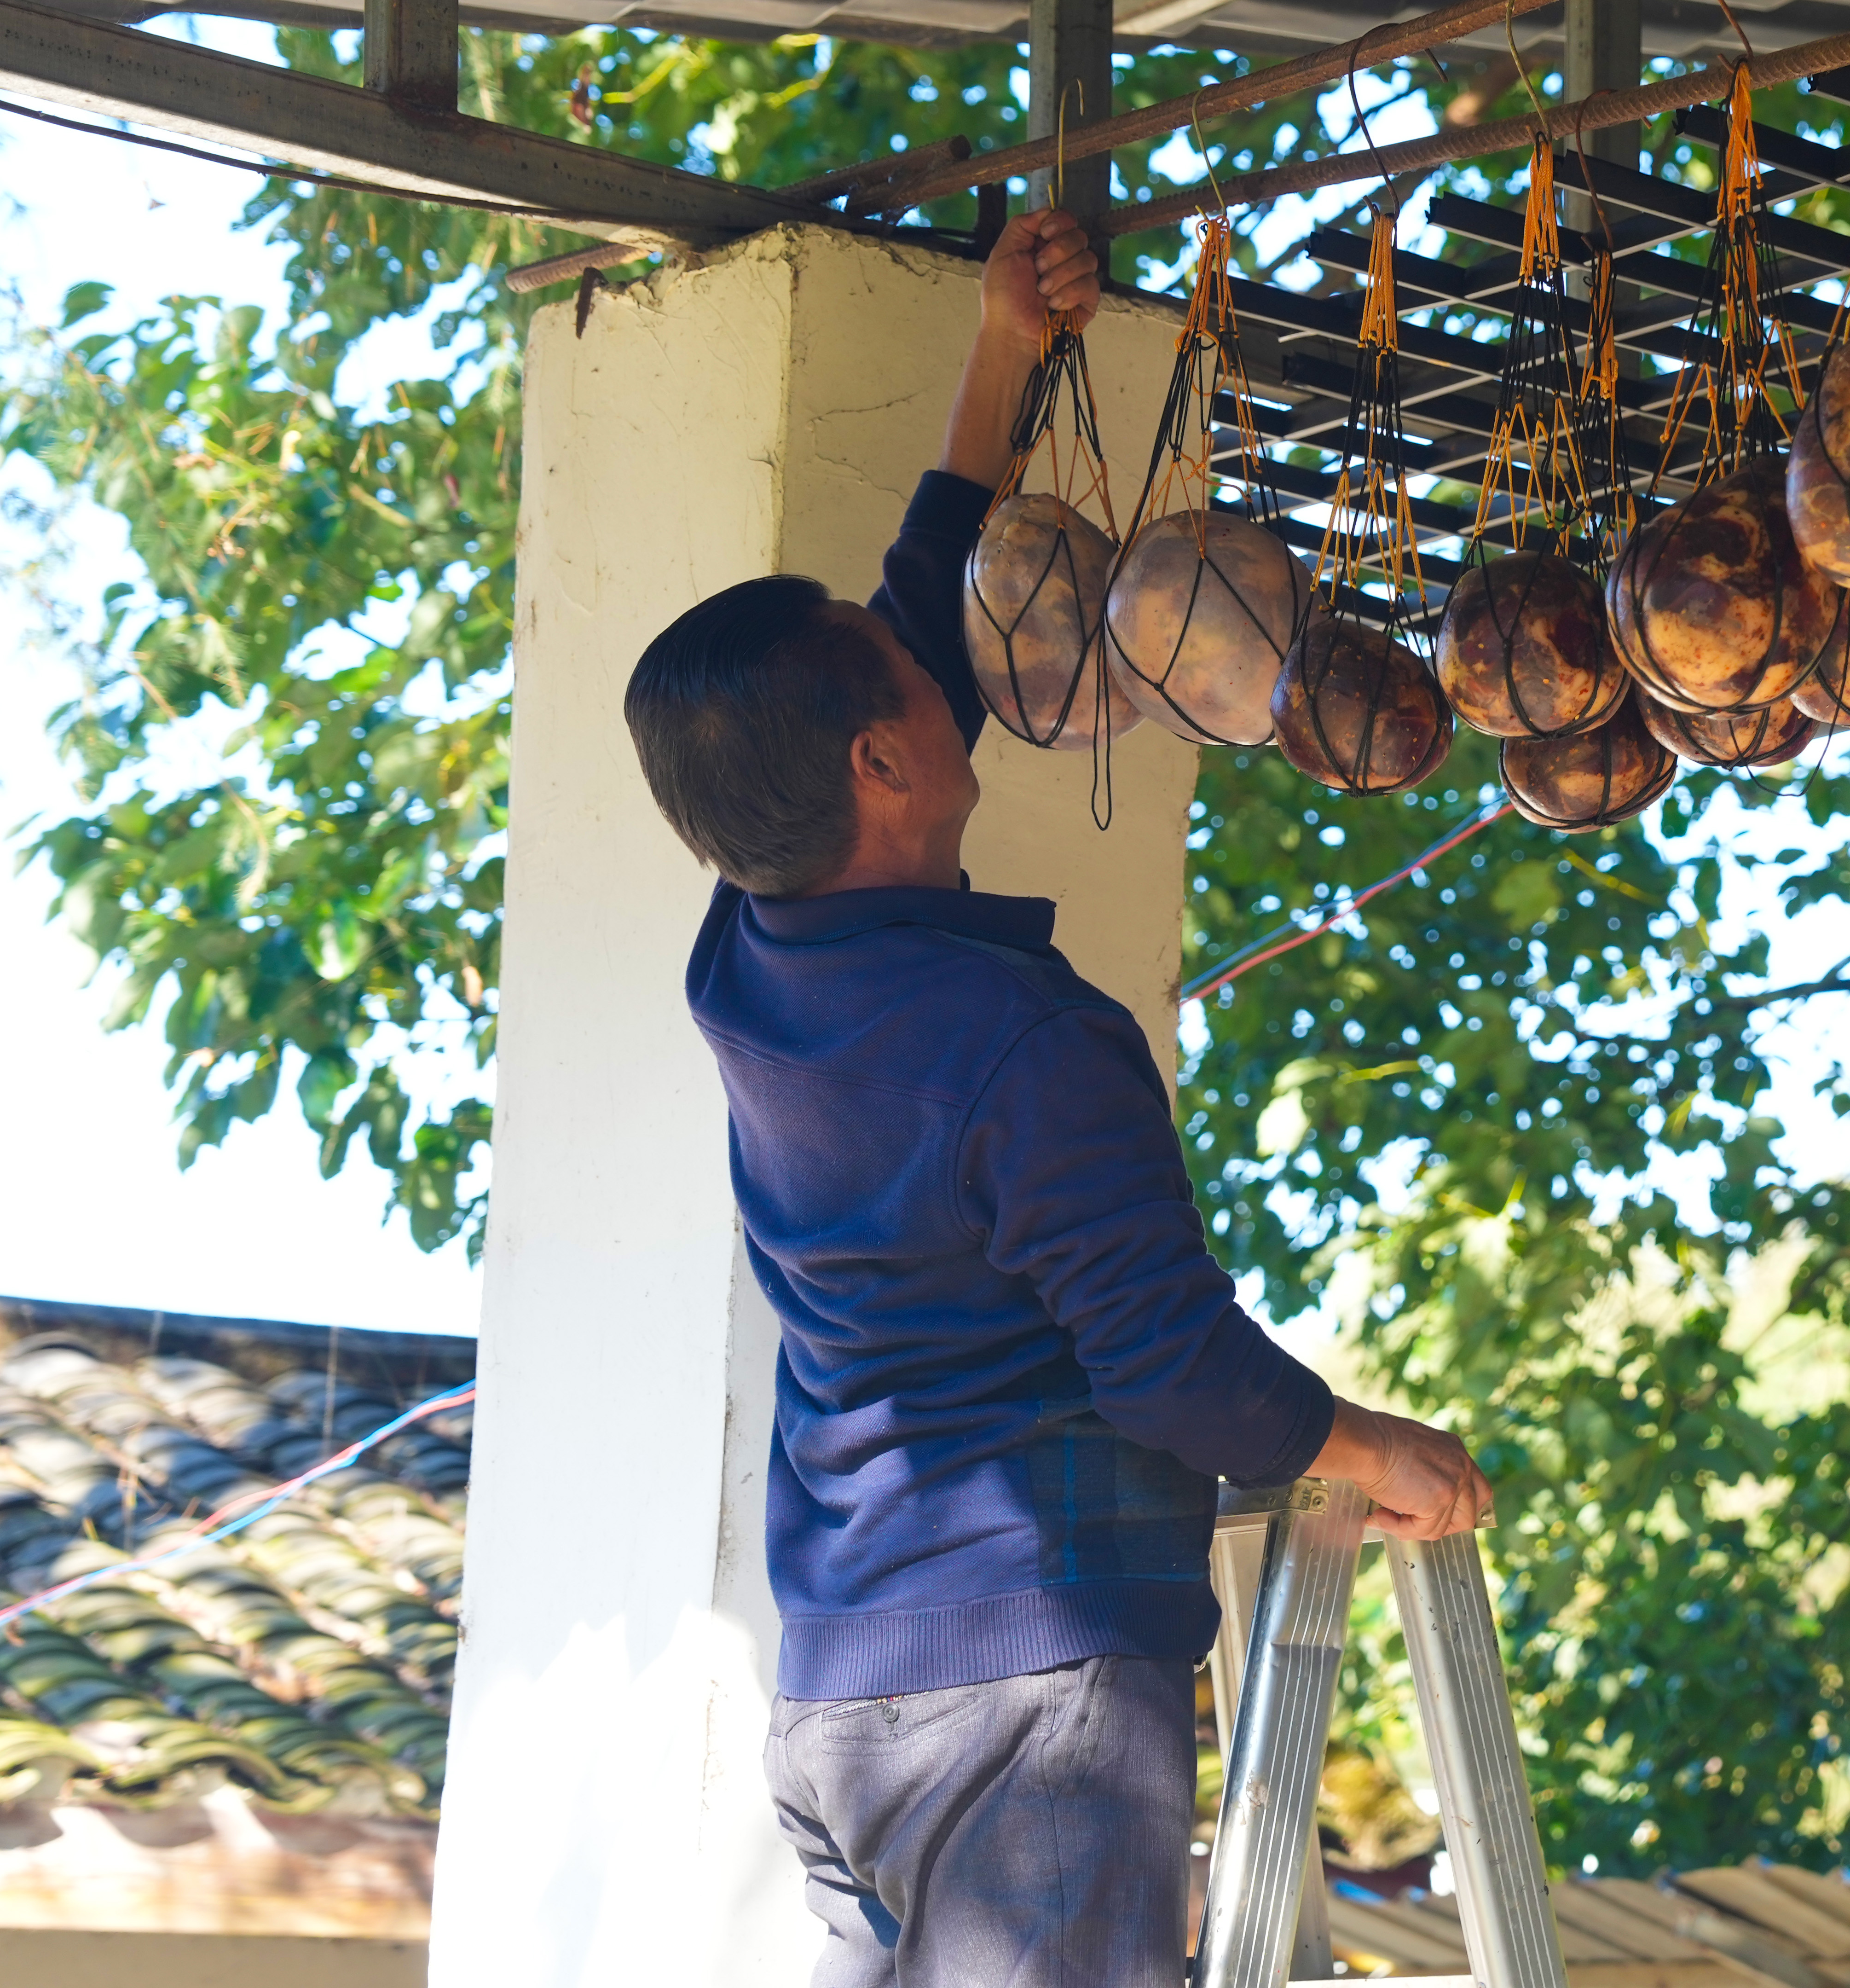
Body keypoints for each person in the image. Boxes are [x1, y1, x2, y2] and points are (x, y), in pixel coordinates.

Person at [617, 205, 1492, 1988]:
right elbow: (1166, 1364)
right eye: (908, 682)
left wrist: (1005, 361)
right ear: (887, 758)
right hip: (1025, 1702)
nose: (962, 674)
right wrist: (1365, 1443)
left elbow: (916, 625)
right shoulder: (1023, 1040)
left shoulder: (751, 952)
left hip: (849, 1684)